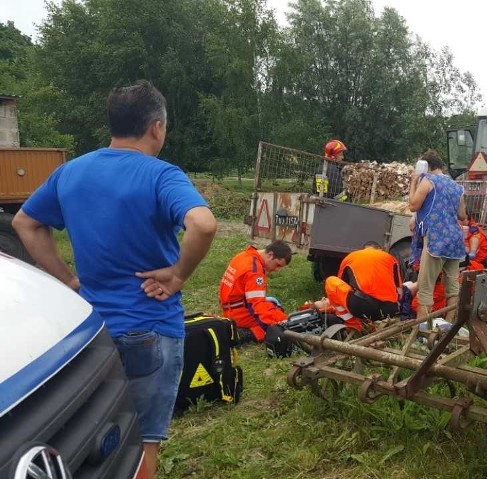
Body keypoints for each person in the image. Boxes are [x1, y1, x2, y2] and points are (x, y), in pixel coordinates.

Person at [12, 80, 217, 478]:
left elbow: (25, 222)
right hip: (150, 328)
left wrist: (69, 281)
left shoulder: (70, 172)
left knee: (99, 435)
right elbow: (204, 224)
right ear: (156, 127)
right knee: (142, 444)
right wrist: (176, 276)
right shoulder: (161, 174)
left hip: (91, 333)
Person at [408, 149, 467, 324]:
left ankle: (422, 329)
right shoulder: (457, 186)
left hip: (436, 239)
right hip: (455, 240)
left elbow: (413, 206)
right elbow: (462, 215)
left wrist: (413, 182)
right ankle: (449, 324)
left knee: (426, 286)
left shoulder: (428, 181)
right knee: (452, 287)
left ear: (425, 166)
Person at [313, 241, 402, 332]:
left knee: (331, 281)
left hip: (363, 308)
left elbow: (341, 288)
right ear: (380, 250)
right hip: (390, 310)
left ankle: (353, 324)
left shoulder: (351, 257)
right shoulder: (391, 259)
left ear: (362, 250)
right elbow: (399, 292)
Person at [219, 241, 292, 342]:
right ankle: (246, 334)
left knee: (273, 303)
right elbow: (256, 305)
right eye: (277, 265)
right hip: (238, 313)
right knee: (278, 321)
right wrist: (279, 325)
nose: (277, 270)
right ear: (270, 255)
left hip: (231, 307)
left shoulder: (244, 255)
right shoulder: (254, 270)